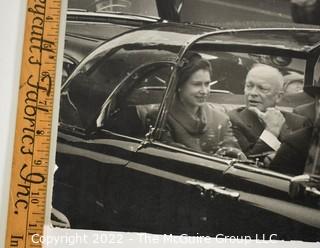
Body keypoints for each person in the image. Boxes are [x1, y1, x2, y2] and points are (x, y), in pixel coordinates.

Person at [161, 53, 241, 155]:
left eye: (207, 84)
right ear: (179, 85)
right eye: (197, 84)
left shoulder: (221, 119)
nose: (204, 91)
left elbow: (236, 156)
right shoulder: (162, 119)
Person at [228, 63, 309, 159]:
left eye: (262, 88)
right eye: (249, 86)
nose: (253, 93)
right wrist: (271, 132)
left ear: (278, 97)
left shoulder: (299, 123)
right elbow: (246, 164)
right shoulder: (232, 120)